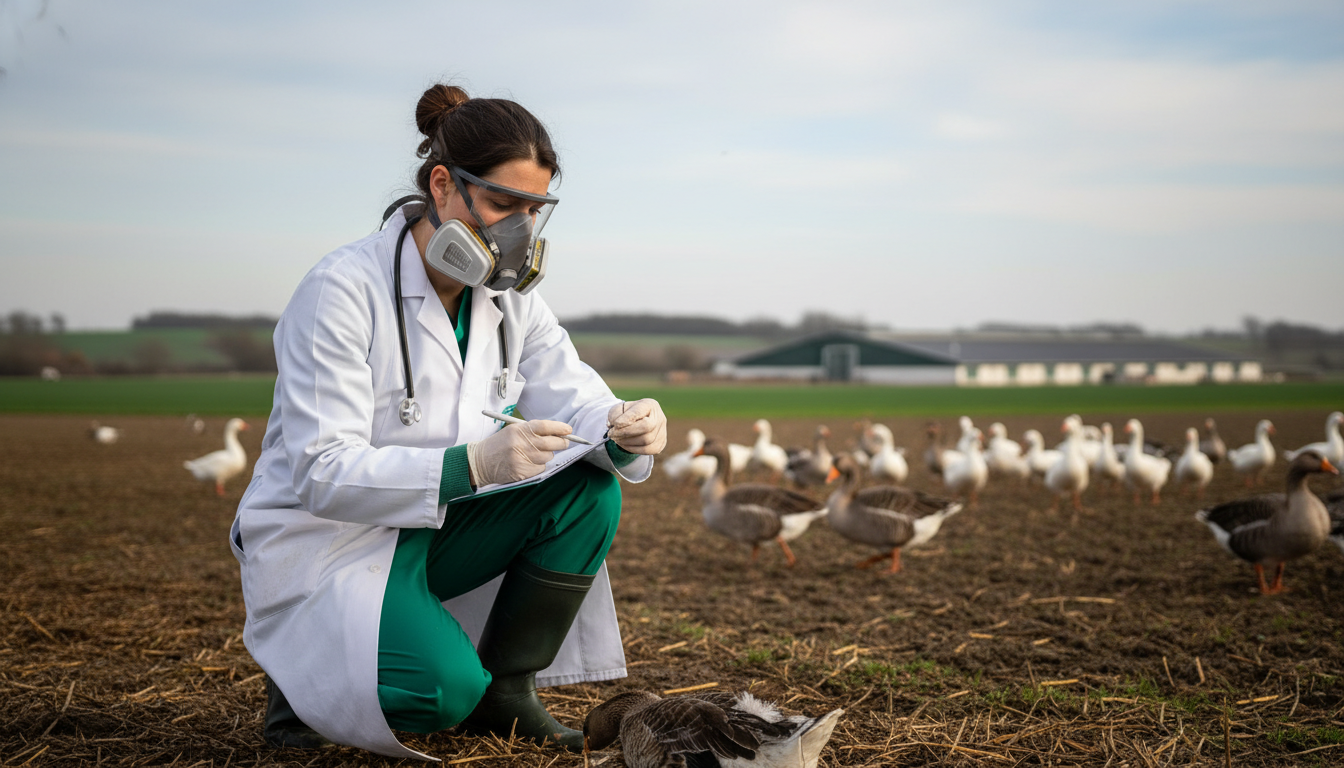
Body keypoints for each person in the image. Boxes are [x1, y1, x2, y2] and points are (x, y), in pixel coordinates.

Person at [229, 83, 667, 760]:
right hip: (330, 539)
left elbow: (572, 392)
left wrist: (623, 421)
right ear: (443, 185)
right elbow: (320, 470)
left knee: (587, 489)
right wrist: (476, 465)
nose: (517, 230)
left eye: (534, 211)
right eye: (502, 204)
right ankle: (300, 687)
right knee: (439, 695)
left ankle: (508, 693)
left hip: (432, 527)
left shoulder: (510, 302)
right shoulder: (340, 291)